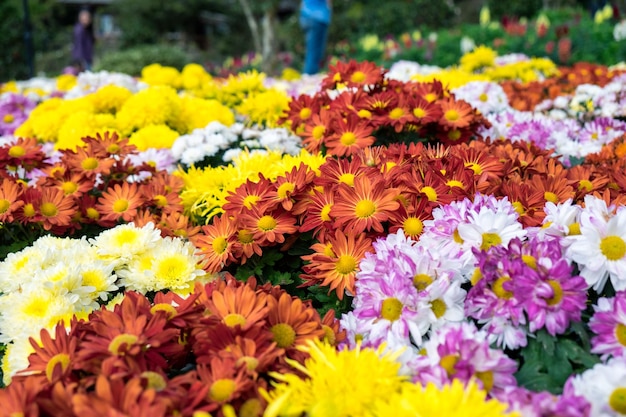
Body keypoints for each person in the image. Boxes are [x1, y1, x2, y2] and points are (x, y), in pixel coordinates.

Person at [300, 0, 331, 75]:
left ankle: (308, 75)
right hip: (319, 18)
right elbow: (328, 3)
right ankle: (309, 75)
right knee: (315, 51)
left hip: (305, 16)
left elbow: (302, 4)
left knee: (311, 49)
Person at [72, 8, 95, 72]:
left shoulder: (87, 29)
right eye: (86, 17)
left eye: (89, 18)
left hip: (86, 58)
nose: (88, 19)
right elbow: (79, 45)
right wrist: (79, 60)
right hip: (82, 59)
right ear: (81, 18)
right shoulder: (79, 30)